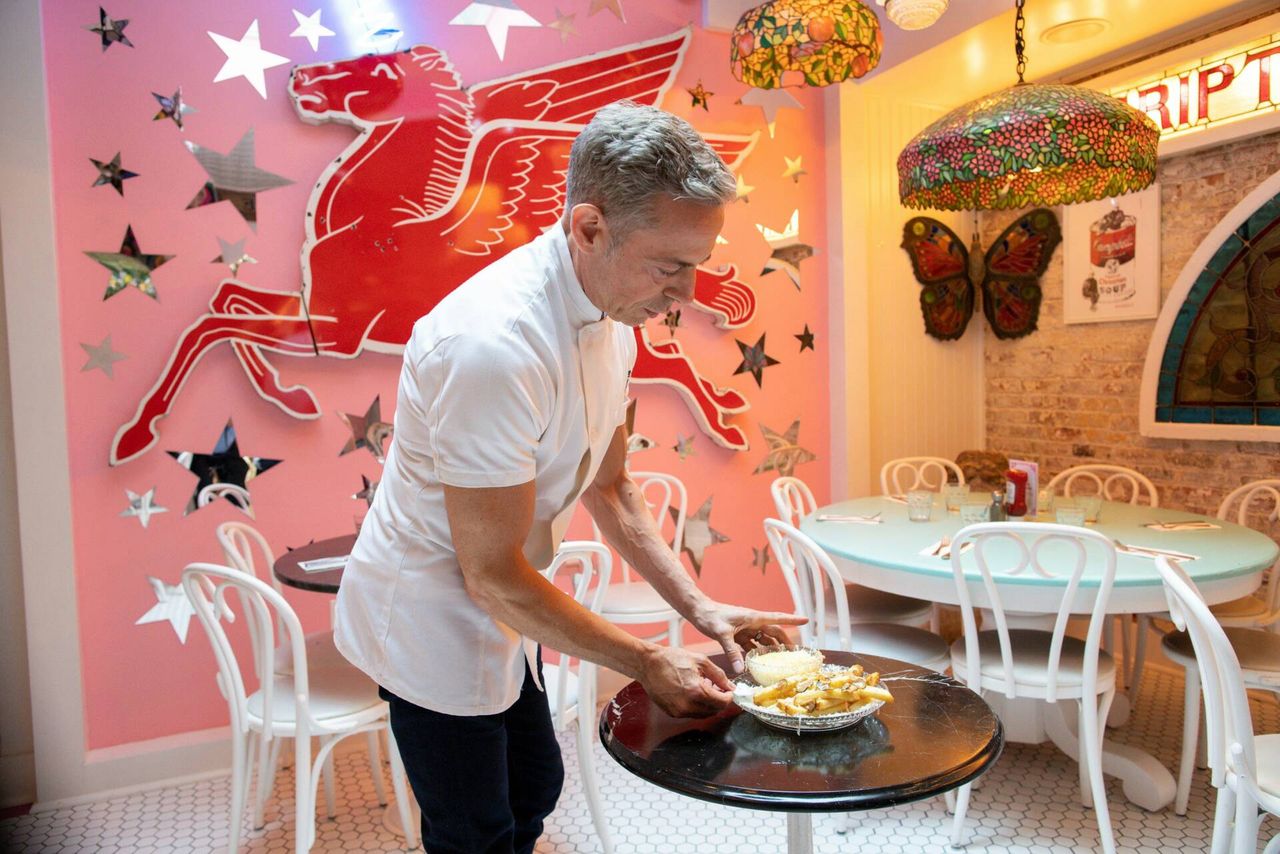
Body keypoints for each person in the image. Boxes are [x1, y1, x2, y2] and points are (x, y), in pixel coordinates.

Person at [334, 100, 804, 854]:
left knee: (534, 788)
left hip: (508, 595)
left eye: (697, 265)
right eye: (670, 265)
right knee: (475, 829)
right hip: (429, 607)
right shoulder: (490, 346)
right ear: (589, 228)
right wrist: (647, 659)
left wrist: (703, 609)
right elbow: (487, 574)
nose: (687, 294)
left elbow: (612, 486)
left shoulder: (614, 318)